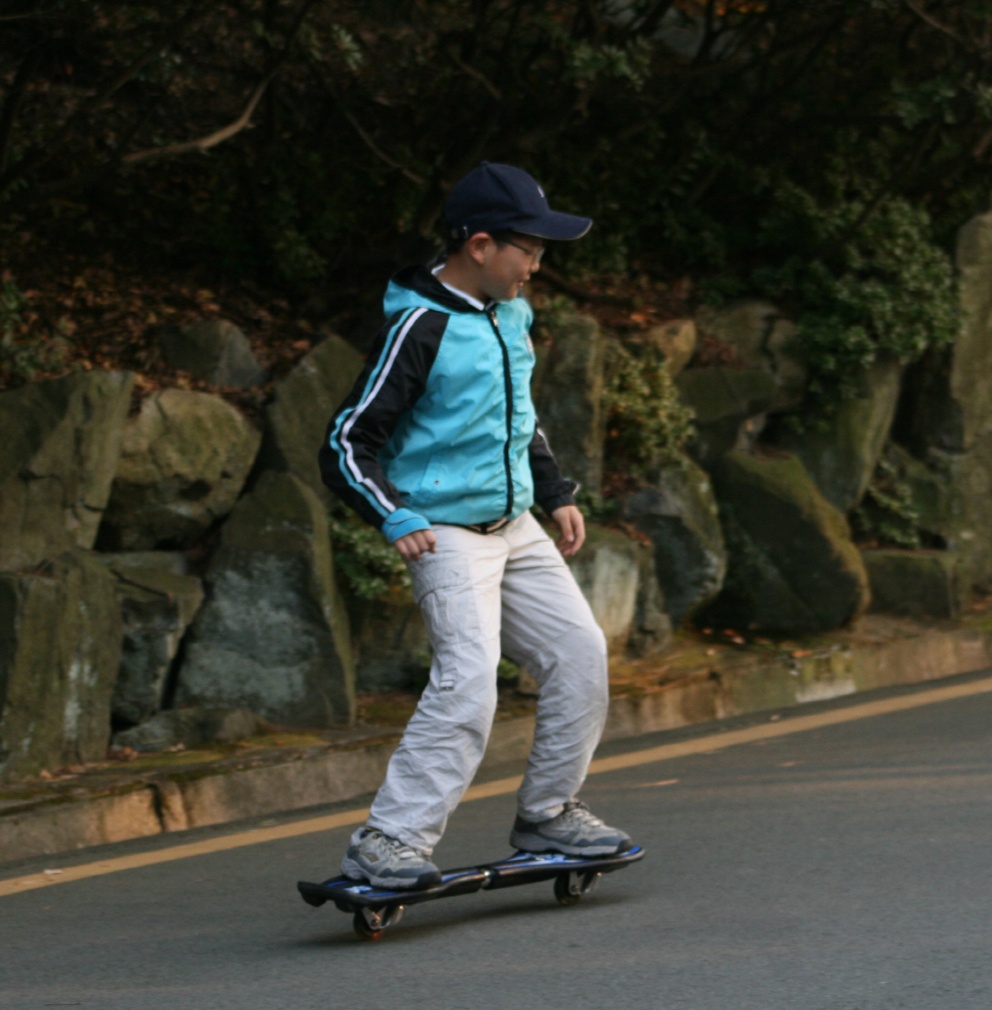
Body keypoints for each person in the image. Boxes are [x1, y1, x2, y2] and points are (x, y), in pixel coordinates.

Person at [318, 161, 630, 889]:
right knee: (467, 685)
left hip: (515, 524)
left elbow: (519, 417)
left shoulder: (509, 314)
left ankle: (549, 812)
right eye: (530, 250)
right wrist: (394, 513)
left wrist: (554, 493)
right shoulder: (420, 325)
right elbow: (346, 440)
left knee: (580, 654)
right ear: (481, 246)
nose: (537, 267)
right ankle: (387, 841)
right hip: (445, 532)